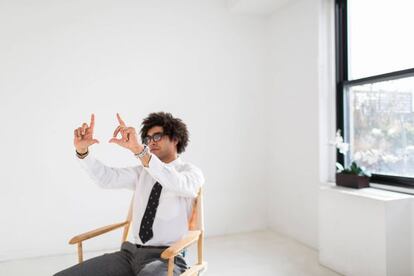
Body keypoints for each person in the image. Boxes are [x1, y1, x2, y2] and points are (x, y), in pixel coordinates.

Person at [55, 112, 205, 276]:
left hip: (168, 258)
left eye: (157, 136)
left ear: (175, 139)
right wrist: (83, 151)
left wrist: (139, 151)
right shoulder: (143, 172)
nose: (151, 143)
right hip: (131, 254)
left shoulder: (190, 173)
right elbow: (107, 178)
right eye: (147, 139)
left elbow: (174, 182)